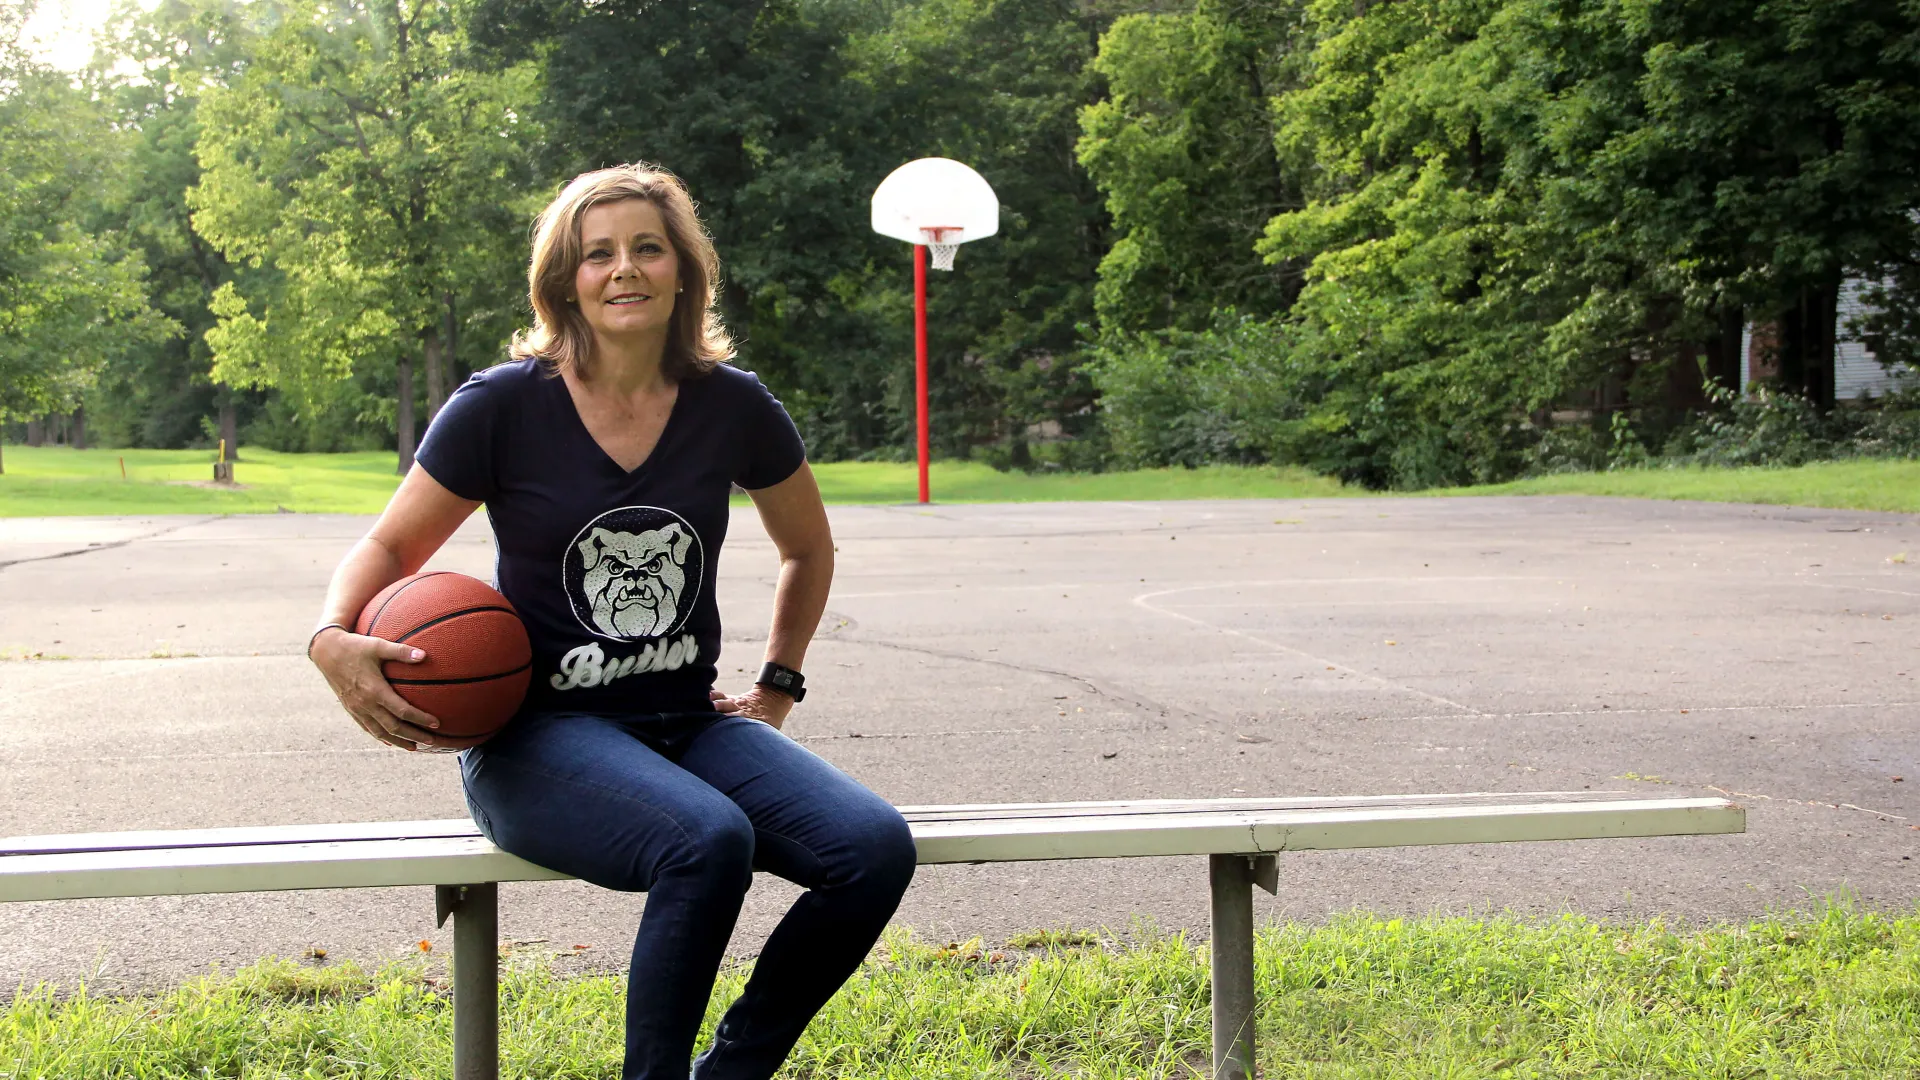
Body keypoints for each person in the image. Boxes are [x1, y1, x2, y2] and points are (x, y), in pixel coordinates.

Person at [306, 163, 917, 1080]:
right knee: (706, 841)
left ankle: (735, 1069)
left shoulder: (732, 404)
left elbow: (808, 549)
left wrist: (777, 686)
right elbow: (390, 551)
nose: (623, 269)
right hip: (535, 741)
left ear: (682, 271)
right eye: (598, 254)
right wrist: (329, 637)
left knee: (871, 850)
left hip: (687, 723)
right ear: (566, 280)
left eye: (646, 248)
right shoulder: (504, 405)